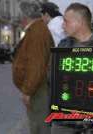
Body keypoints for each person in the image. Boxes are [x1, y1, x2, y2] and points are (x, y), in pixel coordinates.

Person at [52, 3, 93, 134]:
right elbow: (54, 80)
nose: (62, 25)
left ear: (79, 22)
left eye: (66, 21)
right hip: (64, 122)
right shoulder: (63, 46)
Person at [12, 1, 54, 134]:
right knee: (37, 124)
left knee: (39, 126)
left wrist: (27, 91)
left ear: (24, 16)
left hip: (38, 89)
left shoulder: (37, 32)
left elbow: (37, 65)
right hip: (37, 87)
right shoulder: (36, 30)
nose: (18, 18)